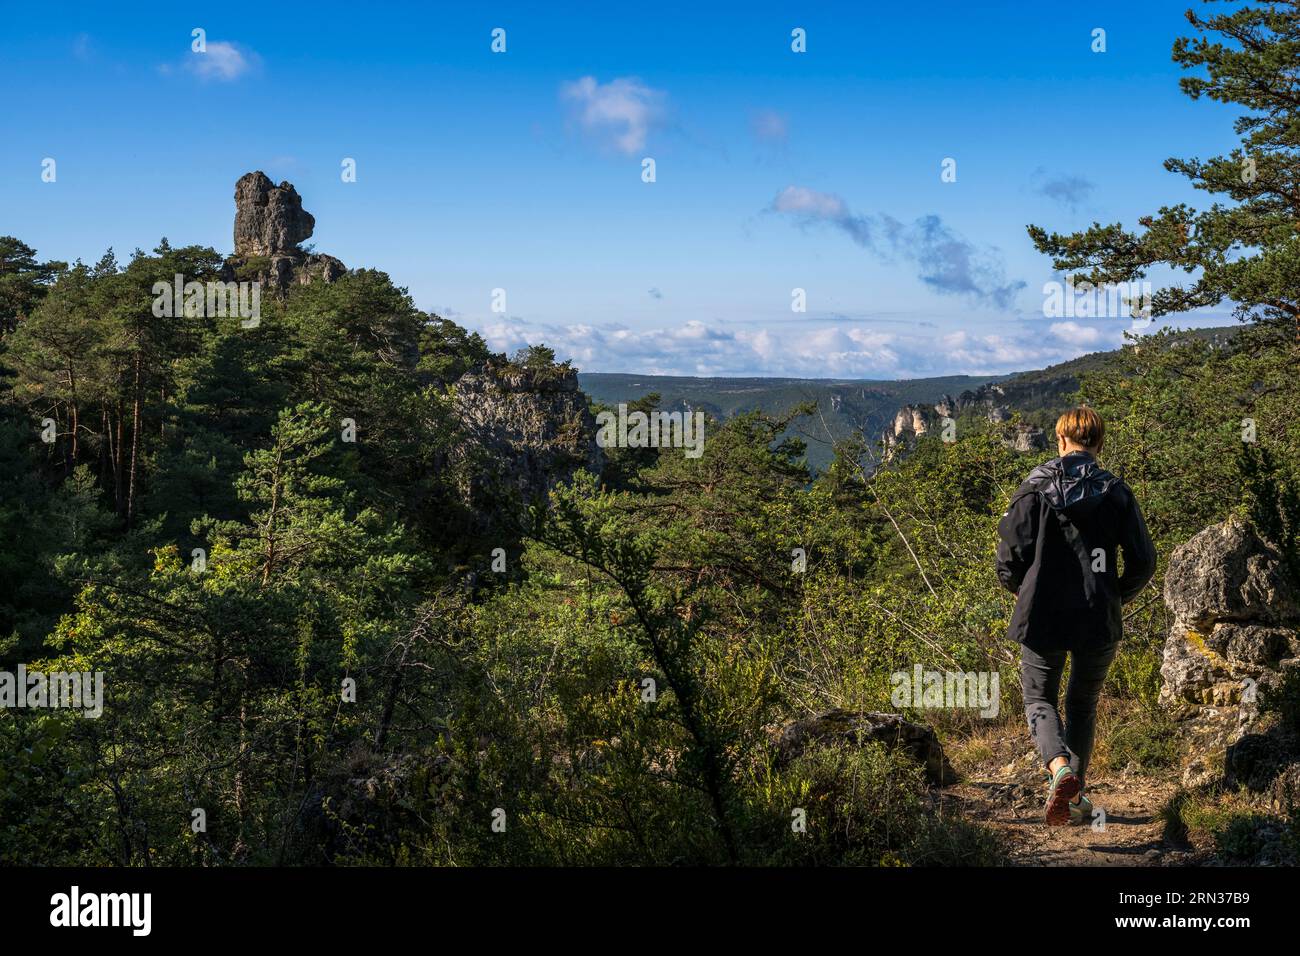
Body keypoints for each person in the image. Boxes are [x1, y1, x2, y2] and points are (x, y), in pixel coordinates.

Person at [995, 407, 1156, 826]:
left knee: (1038, 699)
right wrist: (1115, 595)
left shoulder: (1033, 489)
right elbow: (1143, 561)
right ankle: (1073, 796)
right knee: (1082, 704)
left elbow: (1010, 556)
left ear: (1061, 441)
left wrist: (1022, 591)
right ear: (1099, 445)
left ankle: (1059, 770)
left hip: (1043, 614)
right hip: (1097, 615)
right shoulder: (1117, 492)